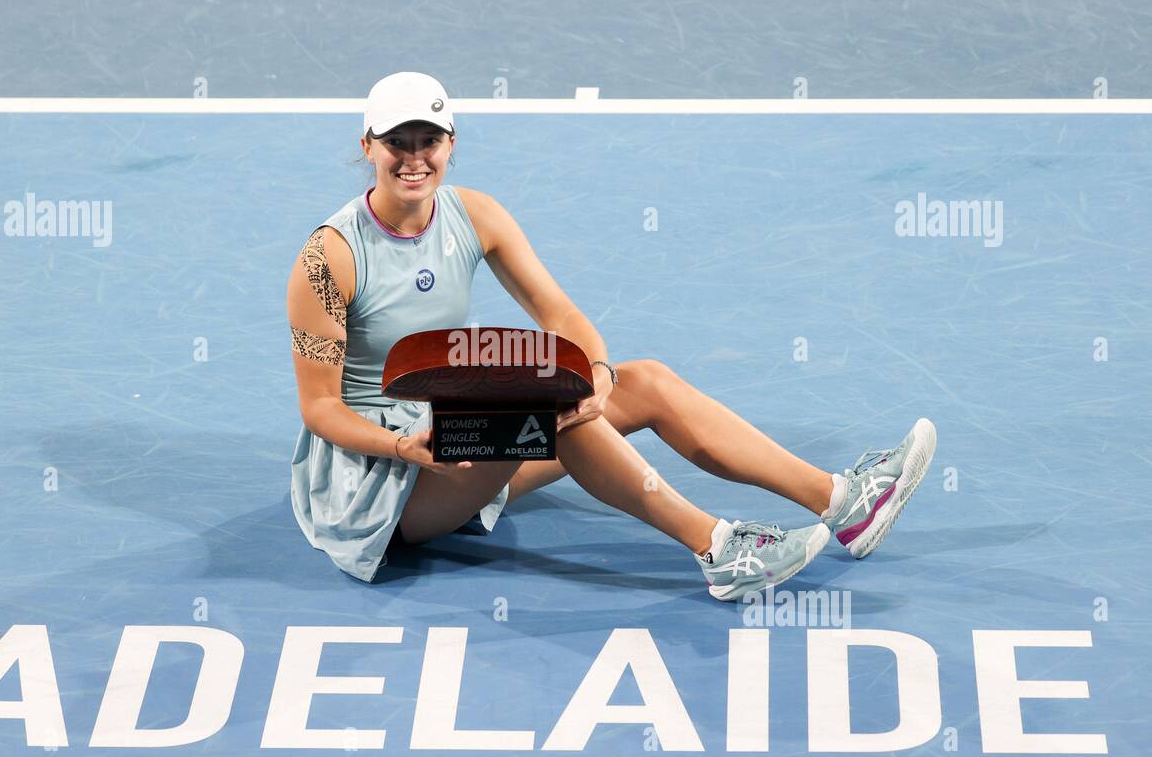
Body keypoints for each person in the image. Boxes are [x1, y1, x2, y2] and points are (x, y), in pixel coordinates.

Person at [288, 71, 937, 599]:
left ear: (451, 144)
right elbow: (319, 409)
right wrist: (403, 448)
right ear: (368, 145)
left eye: (427, 140)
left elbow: (561, 316)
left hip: (464, 434)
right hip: (380, 480)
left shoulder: (473, 215)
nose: (413, 157)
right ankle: (718, 548)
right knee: (541, 407)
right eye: (397, 141)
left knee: (642, 382)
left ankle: (843, 501)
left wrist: (595, 374)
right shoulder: (331, 257)